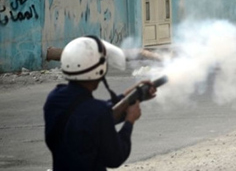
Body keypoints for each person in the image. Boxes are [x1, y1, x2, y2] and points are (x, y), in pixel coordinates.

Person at [43, 35, 157, 171]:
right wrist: (129, 122)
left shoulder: (54, 98)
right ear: (99, 70)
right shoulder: (97, 111)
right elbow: (115, 157)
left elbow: (90, 117)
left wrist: (127, 96)